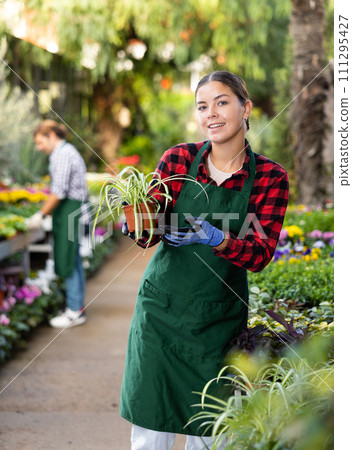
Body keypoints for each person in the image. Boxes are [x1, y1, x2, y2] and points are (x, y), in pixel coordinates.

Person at [120, 71, 289, 450]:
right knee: (150, 428)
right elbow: (148, 235)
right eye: (202, 106)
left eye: (222, 102)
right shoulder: (178, 160)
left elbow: (260, 255)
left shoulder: (270, 178)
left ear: (246, 108)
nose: (210, 113)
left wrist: (218, 237)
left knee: (211, 433)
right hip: (160, 314)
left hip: (219, 322)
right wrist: (138, 221)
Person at [27, 120, 88, 328]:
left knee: (67, 259)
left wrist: (40, 215)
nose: (39, 148)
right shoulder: (66, 151)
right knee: (74, 259)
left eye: (40, 142)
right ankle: (76, 307)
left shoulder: (63, 154)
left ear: (52, 135)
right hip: (72, 212)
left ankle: (73, 312)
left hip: (70, 212)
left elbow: (59, 191)